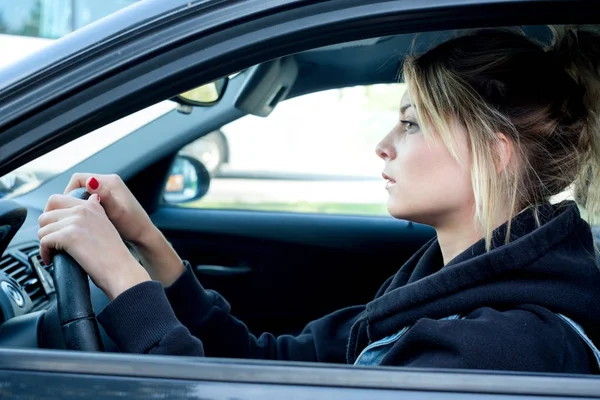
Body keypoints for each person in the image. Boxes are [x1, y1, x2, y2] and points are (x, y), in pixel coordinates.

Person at [38, 26, 600, 373]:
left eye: (410, 124)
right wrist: (147, 246)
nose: (383, 147)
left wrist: (125, 283)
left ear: (493, 154)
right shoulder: (435, 290)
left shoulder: (500, 347)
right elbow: (272, 363)